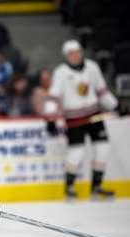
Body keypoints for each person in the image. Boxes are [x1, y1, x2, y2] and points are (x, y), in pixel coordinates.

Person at [45, 39, 120, 199]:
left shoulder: (92, 67)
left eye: (77, 52)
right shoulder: (61, 72)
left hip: (94, 115)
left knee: (103, 148)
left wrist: (115, 106)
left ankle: (96, 187)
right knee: (76, 152)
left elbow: (102, 91)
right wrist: (50, 118)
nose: (75, 56)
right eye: (71, 53)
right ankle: (69, 187)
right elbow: (53, 97)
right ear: (66, 56)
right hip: (74, 118)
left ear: (81, 52)